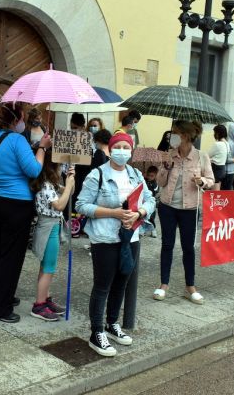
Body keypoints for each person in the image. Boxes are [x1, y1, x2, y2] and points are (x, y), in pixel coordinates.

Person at [75, 132, 155, 357]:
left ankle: (112, 324)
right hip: (105, 238)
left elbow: (150, 200)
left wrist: (139, 212)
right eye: (117, 147)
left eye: (126, 147)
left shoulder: (136, 173)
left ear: (131, 150)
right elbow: (82, 205)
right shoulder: (97, 175)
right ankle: (96, 332)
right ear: (110, 150)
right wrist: (114, 213)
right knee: (103, 285)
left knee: (122, 281)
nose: (122, 151)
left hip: (131, 236)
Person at [0, 102, 51, 323]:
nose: (24, 122)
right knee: (11, 256)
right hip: (16, 205)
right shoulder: (17, 140)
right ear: (15, 119)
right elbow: (33, 169)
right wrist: (42, 148)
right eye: (22, 118)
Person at [152, 120, 214, 305]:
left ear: (185, 136)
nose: (171, 136)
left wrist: (202, 181)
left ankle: (190, 287)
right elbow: (160, 183)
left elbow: (211, 179)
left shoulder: (201, 157)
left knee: (188, 248)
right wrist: (165, 167)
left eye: (175, 133)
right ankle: (164, 284)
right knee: (167, 245)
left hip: (190, 209)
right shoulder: (169, 155)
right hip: (167, 206)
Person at [29, 150, 75, 321]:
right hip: (48, 227)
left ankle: (45, 299)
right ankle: (39, 305)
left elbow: (69, 192)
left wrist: (70, 179)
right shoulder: (46, 186)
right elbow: (60, 205)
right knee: (49, 267)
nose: (60, 169)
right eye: (59, 166)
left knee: (46, 266)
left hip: (52, 227)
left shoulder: (50, 184)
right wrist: (68, 186)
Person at [207, 125, 228, 191]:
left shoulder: (217, 144)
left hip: (215, 168)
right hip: (222, 168)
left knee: (214, 193)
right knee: (217, 189)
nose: (214, 134)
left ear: (218, 133)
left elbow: (207, 155)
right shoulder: (226, 144)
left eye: (214, 132)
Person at [145, 166, 159, 238]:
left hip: (151, 201)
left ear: (155, 176)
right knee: (143, 216)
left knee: (152, 216)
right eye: (148, 175)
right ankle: (143, 229)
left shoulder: (155, 184)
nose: (149, 177)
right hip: (144, 201)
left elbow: (156, 192)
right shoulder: (144, 180)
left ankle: (153, 229)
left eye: (152, 176)